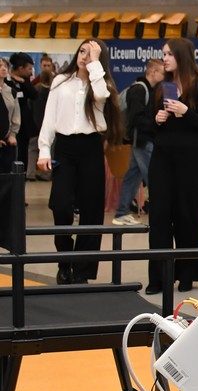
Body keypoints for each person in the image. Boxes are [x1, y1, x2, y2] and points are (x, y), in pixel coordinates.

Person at [37, 39, 124, 284]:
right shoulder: (60, 81)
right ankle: (65, 261)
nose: (84, 56)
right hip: (64, 148)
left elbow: (101, 96)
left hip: (91, 147)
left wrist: (95, 65)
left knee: (91, 210)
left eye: (91, 53)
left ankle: (83, 270)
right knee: (60, 205)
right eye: (82, 51)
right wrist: (44, 150)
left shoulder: (102, 84)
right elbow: (49, 118)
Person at [145, 38, 198, 295]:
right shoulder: (162, 87)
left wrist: (186, 112)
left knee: (188, 216)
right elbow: (147, 125)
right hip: (163, 158)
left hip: (191, 160)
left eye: (169, 54)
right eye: (163, 54)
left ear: (182, 56)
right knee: (160, 217)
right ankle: (158, 277)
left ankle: (187, 274)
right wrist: (157, 119)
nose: (165, 59)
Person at [112, 58, 165, 226]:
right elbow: (136, 118)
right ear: (153, 72)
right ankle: (161, 213)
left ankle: (121, 213)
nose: (164, 77)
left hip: (141, 140)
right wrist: (155, 124)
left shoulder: (146, 89)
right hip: (142, 140)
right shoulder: (139, 90)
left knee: (133, 177)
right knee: (154, 177)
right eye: (162, 73)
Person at [7, 53, 38, 180]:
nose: (31, 72)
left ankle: (21, 185)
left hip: (24, 125)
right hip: (9, 125)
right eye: (29, 69)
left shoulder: (24, 81)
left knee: (23, 156)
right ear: (20, 68)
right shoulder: (7, 81)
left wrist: (23, 82)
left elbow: (34, 95)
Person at [0, 59, 19, 174]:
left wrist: (13, 134)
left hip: (8, 140)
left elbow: (16, 115)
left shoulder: (11, 91)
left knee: (7, 176)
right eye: (0, 66)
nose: (3, 68)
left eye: (5, 66)